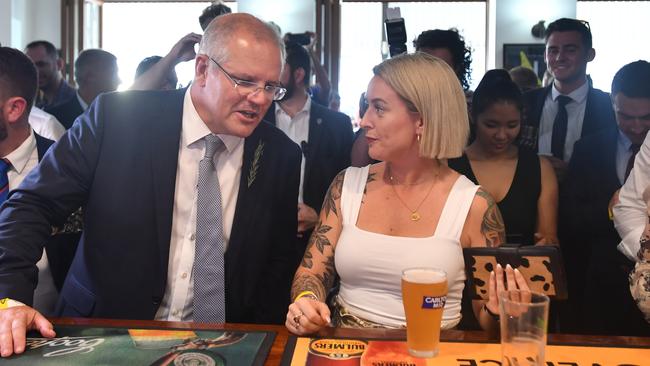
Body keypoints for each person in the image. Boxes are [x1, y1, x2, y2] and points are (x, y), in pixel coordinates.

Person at [0, 13, 301, 357]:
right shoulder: (118, 119)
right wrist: (9, 298)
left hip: (222, 346)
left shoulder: (280, 156)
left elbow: (276, 265)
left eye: (270, 87)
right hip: (105, 333)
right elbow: (31, 205)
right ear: (202, 69)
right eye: (245, 81)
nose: (260, 99)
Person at [285, 52, 528, 335]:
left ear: (422, 120)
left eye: (379, 108)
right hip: (348, 349)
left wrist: (501, 312)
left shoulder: (473, 205)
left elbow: (485, 313)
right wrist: (306, 302)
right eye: (367, 106)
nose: (364, 121)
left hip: (434, 352)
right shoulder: (347, 186)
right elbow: (312, 271)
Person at [564, 60, 650, 335]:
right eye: (625, 116)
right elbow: (569, 219)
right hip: (603, 283)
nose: (636, 127)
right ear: (612, 103)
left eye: (646, 117)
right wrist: (610, 209)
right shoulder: (588, 148)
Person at [263, 41, 353, 258]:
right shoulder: (258, 120)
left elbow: (350, 188)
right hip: (265, 243)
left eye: (279, 69)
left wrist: (321, 217)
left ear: (299, 74)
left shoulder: (336, 125)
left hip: (319, 244)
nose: (272, 78)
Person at [449, 69, 558, 246]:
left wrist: (548, 243)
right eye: (491, 125)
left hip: (523, 270)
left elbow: (547, 236)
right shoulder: (449, 165)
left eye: (512, 125)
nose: (502, 135)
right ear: (473, 116)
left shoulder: (539, 168)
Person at [351, 28, 473, 168]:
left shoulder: (470, 110)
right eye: (422, 67)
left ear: (454, 69)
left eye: (437, 67)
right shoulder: (393, 102)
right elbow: (359, 164)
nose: (427, 76)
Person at [519, 18, 616, 182]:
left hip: (588, 203)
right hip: (531, 201)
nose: (559, 57)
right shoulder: (526, 102)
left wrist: (573, 173)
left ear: (590, 55)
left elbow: (615, 163)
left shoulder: (608, 107)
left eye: (570, 50)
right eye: (553, 50)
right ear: (545, 55)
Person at [47, 48, 120, 129]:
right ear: (90, 77)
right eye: (113, 74)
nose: (119, 81)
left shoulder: (118, 114)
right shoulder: (53, 120)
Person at [24, 40, 76, 110]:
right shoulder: (39, 105)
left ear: (59, 64)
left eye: (41, 64)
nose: (35, 71)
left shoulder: (74, 101)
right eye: (30, 66)